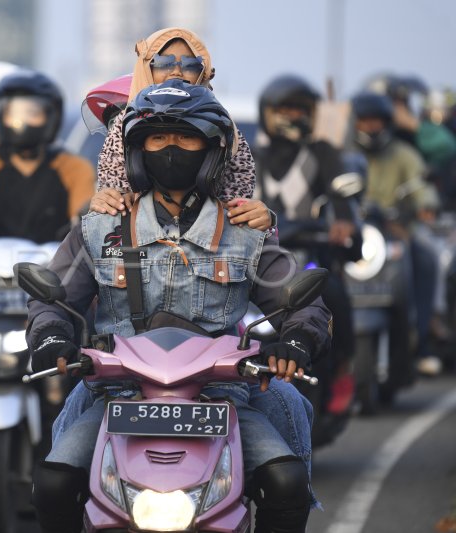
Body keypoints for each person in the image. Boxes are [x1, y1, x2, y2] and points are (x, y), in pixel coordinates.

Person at [26, 80, 331, 533]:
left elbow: (303, 303)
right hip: (117, 396)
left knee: (286, 480)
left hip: (222, 396)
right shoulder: (100, 228)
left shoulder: (246, 230)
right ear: (137, 150)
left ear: (211, 150)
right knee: (53, 483)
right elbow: (52, 298)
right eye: (158, 138)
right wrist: (52, 338)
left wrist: (296, 340)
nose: (171, 149)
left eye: (186, 137)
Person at [88, 27, 273, 233]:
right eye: (163, 63)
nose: (176, 71)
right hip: (137, 239)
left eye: (190, 65)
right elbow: (113, 199)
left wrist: (260, 223)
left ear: (203, 72)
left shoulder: (221, 124)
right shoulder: (126, 125)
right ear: (145, 67)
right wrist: (105, 202)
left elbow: (239, 205)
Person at [254, 74, 361, 416]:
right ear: (265, 113)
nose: (293, 116)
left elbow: (340, 194)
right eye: (283, 109)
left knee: (334, 296)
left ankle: (343, 368)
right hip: (259, 260)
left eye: (301, 109)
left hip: (309, 255)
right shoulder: (249, 156)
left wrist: (343, 222)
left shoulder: (322, 153)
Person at [351, 90, 441, 375]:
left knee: (427, 259)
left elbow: (421, 184)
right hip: (354, 234)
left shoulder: (403, 154)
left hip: (395, 233)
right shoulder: (346, 155)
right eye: (365, 121)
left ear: (387, 123)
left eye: (376, 121)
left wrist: (426, 203)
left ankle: (422, 336)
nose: (371, 126)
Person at [0, 69, 95, 243]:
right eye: (12, 113)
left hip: (54, 267)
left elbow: (85, 221)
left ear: (51, 117)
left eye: (32, 113)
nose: (21, 121)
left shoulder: (74, 168)